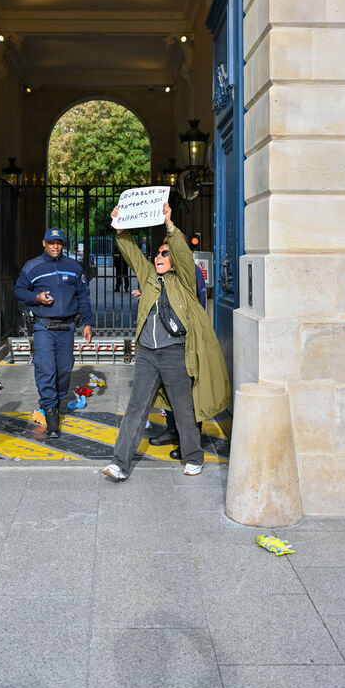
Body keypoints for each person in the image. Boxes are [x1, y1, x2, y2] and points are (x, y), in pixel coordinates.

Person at [103, 202, 230, 481]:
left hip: (175, 353)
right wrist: (120, 229)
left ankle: (194, 457)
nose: (158, 257)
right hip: (148, 355)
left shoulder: (184, 280)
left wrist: (170, 226)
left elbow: (183, 254)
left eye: (164, 253)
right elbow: (132, 253)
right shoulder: (149, 277)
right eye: (157, 253)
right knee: (136, 407)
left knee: (184, 409)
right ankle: (119, 464)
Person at [14, 228, 94, 438]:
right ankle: (51, 414)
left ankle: (56, 403)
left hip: (67, 327)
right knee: (46, 368)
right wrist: (36, 297)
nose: (55, 246)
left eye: (59, 243)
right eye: (51, 243)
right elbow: (19, 290)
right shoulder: (32, 266)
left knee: (64, 369)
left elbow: (83, 295)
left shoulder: (74, 267)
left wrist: (88, 323)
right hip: (44, 327)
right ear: (44, 243)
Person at [149, 234, 207, 455]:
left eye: (168, 249)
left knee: (187, 394)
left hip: (185, 341)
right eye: (160, 251)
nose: (162, 254)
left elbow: (195, 306)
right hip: (166, 341)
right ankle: (173, 430)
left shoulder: (190, 272)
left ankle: (190, 441)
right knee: (170, 389)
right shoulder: (164, 273)